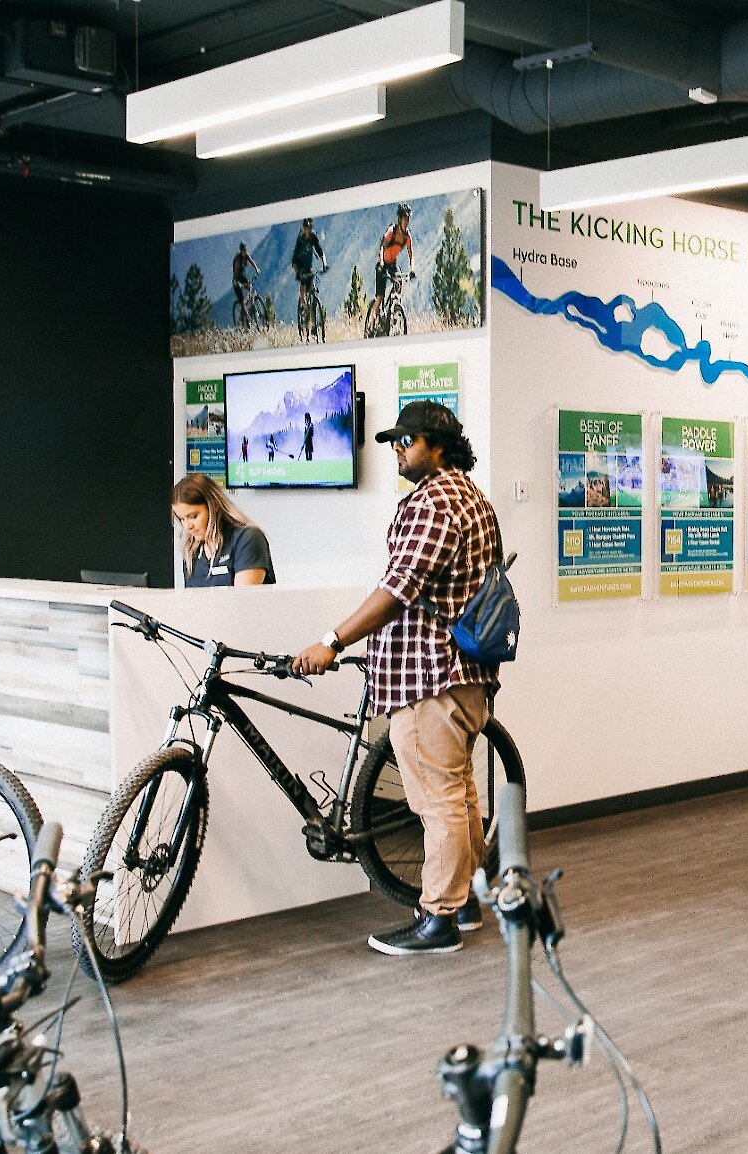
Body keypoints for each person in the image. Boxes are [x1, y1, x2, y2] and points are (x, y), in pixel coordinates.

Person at [294, 401, 504, 956]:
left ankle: (438, 920)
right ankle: (467, 899)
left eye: (406, 441)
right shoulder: (474, 499)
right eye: (394, 442)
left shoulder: (435, 502)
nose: (397, 451)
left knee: (437, 802)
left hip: (429, 674)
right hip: (465, 673)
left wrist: (332, 641)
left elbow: (397, 591)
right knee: (456, 794)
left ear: (436, 444)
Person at [172, 475, 275, 588]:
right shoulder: (191, 552)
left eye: (193, 516)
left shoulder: (247, 538)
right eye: (182, 519)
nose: (188, 526)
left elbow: (244, 601)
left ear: (214, 505)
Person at [291, 218, 327, 339]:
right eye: (307, 227)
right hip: (300, 266)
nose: (309, 229)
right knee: (303, 285)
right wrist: (297, 271)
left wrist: (324, 264)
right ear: (304, 228)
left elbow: (320, 251)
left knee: (312, 292)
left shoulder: (313, 237)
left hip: (309, 267)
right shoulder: (300, 239)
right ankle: (302, 305)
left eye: (310, 227)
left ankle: (312, 327)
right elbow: (294, 258)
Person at [375, 203, 414, 305]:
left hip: (392, 263)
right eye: (405, 219)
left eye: (408, 219)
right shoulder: (392, 231)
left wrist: (412, 269)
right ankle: (371, 320)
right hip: (382, 264)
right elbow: (382, 247)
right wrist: (382, 263)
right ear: (400, 219)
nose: (407, 222)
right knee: (380, 297)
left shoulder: (407, 236)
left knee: (399, 281)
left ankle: (395, 307)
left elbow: (410, 254)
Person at [231, 242, 260, 328]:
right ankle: (241, 322)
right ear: (241, 251)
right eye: (244, 251)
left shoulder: (246, 256)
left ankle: (251, 306)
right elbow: (235, 273)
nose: (245, 252)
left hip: (242, 277)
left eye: (246, 250)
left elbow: (252, 262)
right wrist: (238, 284)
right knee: (242, 304)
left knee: (249, 286)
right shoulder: (238, 259)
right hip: (236, 281)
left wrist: (256, 269)